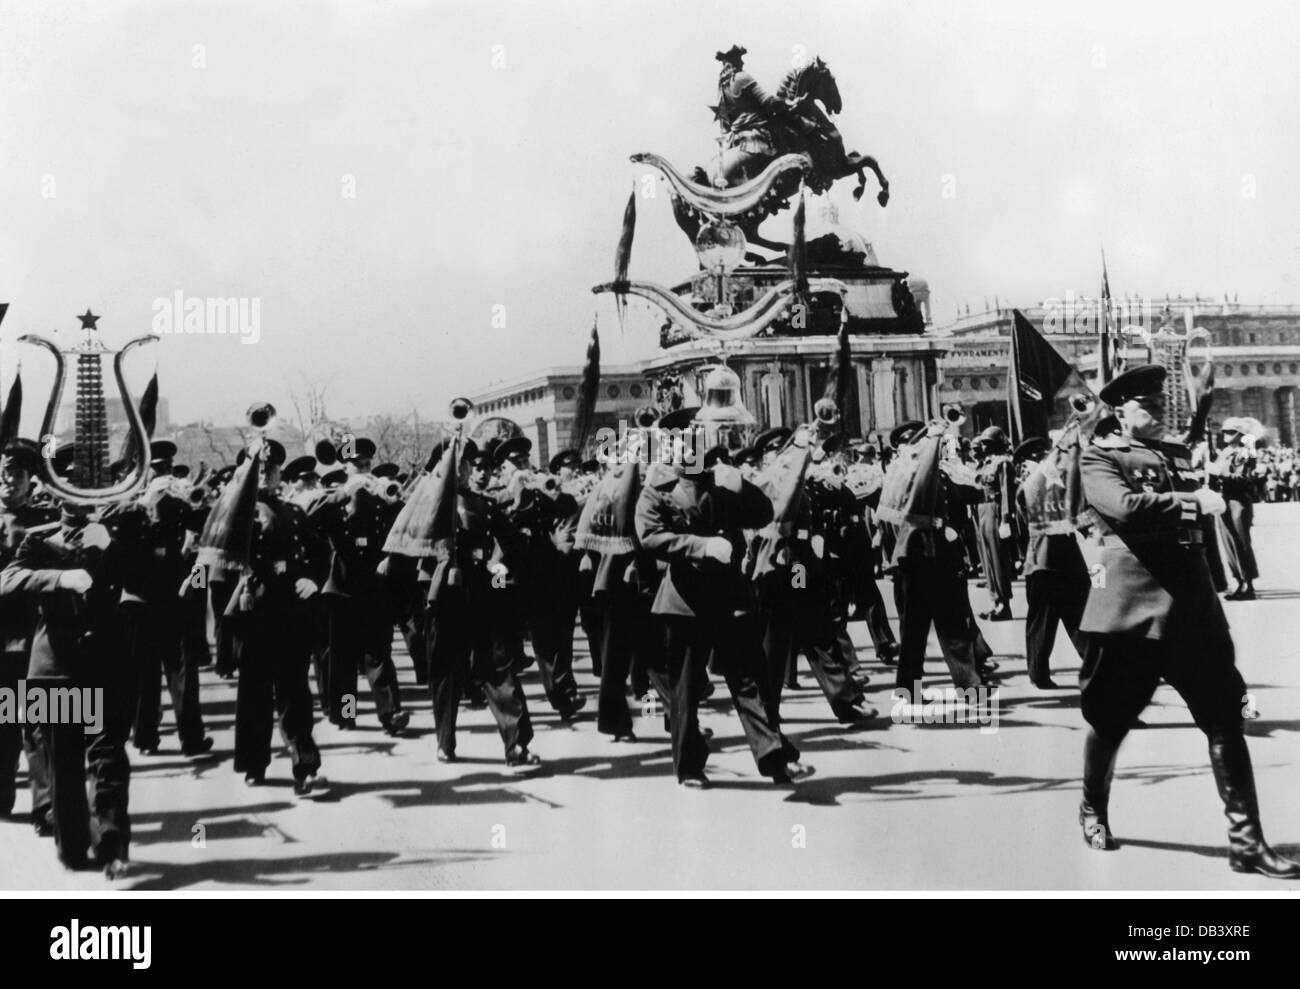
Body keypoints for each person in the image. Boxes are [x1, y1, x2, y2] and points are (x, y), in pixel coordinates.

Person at [1076, 365, 1299, 878]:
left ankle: (1247, 842)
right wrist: (1191, 500)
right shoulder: (1100, 457)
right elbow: (1127, 509)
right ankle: (1093, 807)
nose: (1156, 413)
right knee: (1108, 721)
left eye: (1160, 405)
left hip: (1192, 610)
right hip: (1132, 613)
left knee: (1224, 719)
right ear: (1121, 410)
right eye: (1146, 407)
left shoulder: (1174, 455)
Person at [635, 426, 814, 788]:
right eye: (683, 446)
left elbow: (765, 514)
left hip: (730, 597)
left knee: (750, 681)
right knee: (685, 689)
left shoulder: (722, 482)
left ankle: (775, 757)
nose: (690, 453)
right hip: (685, 601)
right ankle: (688, 767)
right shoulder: (658, 490)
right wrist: (701, 547)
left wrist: (742, 485)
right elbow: (650, 536)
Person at [1, 500, 133, 877]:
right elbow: (7, 580)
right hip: (56, 664)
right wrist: (60, 578)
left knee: (108, 755)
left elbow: (153, 579)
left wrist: (111, 547)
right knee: (64, 762)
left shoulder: (119, 534)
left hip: (106, 660)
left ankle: (112, 846)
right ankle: (74, 847)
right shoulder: (40, 539)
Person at [221, 440, 327, 796]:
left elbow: (317, 551)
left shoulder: (294, 512)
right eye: (260, 470)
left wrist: (312, 578)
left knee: (295, 691)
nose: (267, 475)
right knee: (254, 693)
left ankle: (305, 765)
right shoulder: (239, 510)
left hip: (291, 612)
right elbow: (218, 547)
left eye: (272, 470)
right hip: (256, 611)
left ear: (281, 474)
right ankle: (254, 761)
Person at [308, 437, 409, 734]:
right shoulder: (334, 498)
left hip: (373, 586)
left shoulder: (380, 497)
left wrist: (394, 499)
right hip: (341, 588)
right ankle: (347, 714)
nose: (365, 470)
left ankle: (390, 714)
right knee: (344, 659)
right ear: (345, 467)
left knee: (379, 653)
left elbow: (399, 529)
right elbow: (310, 521)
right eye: (358, 465)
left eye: (367, 465)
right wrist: (342, 493)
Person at [0, 440, 58, 826]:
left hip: (34, 632)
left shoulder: (44, 521)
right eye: (5, 472)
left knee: (39, 721)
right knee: (3, 720)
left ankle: (47, 805)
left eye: (17, 474)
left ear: (29, 480)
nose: (9, 480)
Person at [1014, 437, 1088, 689]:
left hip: (1068, 553)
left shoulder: (1059, 483)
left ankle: (1094, 668)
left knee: (1080, 615)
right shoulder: (1027, 488)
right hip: (1041, 557)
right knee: (1043, 621)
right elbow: (1024, 523)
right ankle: (1038, 672)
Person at [1208, 418, 1260, 600]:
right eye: (1224, 432)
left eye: (1230, 432)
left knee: (1241, 543)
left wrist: (1219, 473)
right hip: (1224, 500)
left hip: (1238, 501)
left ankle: (1249, 585)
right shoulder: (1225, 452)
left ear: (1240, 434)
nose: (1225, 435)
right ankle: (1239, 581)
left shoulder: (1247, 450)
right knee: (1229, 544)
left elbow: (1244, 478)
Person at [972, 426, 1015, 621]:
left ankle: (1004, 604)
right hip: (982, 510)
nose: (984, 446)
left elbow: (1007, 491)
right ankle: (995, 600)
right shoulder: (984, 463)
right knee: (987, 559)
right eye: (984, 443)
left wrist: (1006, 519)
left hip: (995, 510)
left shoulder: (1003, 463)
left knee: (998, 559)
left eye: (988, 443)